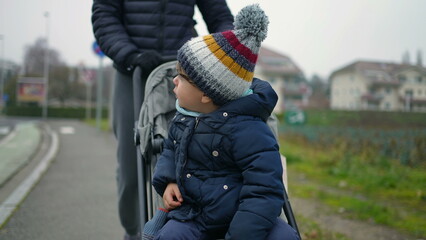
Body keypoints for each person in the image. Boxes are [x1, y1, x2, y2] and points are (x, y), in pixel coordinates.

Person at [150, 4, 300, 240]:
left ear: (207, 94)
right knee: (170, 236)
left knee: (284, 236)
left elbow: (264, 190)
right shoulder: (182, 117)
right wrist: (168, 181)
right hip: (195, 215)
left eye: (182, 77)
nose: (174, 81)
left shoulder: (250, 131)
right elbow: (171, 149)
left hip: (246, 217)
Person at [91, 1, 234, 239]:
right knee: (131, 167)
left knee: (191, 157)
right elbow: (105, 14)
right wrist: (129, 54)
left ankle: (179, 229)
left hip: (182, 70)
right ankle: (133, 231)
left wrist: (222, 52)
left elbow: (219, 15)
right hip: (133, 69)